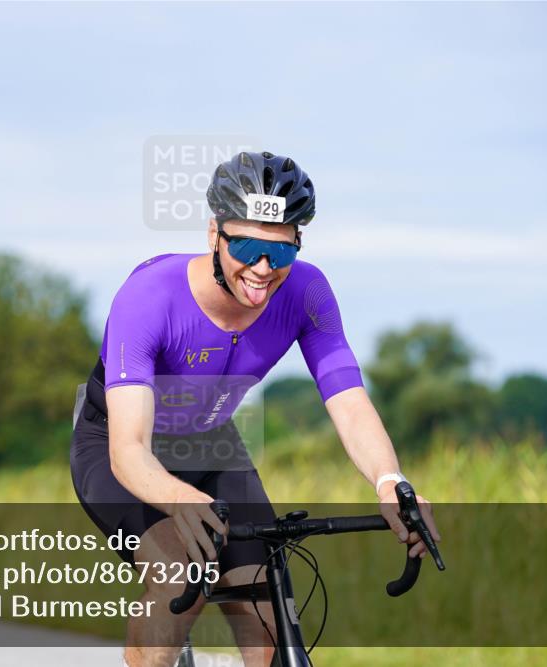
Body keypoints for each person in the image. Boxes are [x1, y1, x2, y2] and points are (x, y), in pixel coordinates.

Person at [70, 151, 440, 666]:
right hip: (117, 443)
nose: (264, 269)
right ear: (213, 234)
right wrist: (179, 499)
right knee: (182, 573)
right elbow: (128, 450)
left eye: (282, 252)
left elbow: (348, 400)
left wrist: (388, 481)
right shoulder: (148, 297)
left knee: (268, 605)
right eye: (246, 245)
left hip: (212, 443)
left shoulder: (307, 293)